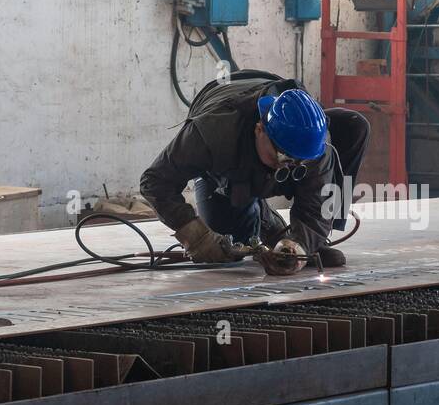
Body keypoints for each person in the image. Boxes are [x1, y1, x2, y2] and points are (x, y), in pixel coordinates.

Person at [140, 71, 368, 273]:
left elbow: (316, 204)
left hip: (269, 130)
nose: (286, 166)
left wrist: (299, 246)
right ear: (260, 129)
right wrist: (195, 235)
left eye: (295, 164)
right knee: (230, 247)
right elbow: (156, 182)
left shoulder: (314, 143)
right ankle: (266, 222)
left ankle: (311, 240)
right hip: (226, 167)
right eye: (281, 157)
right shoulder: (211, 133)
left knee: (354, 126)